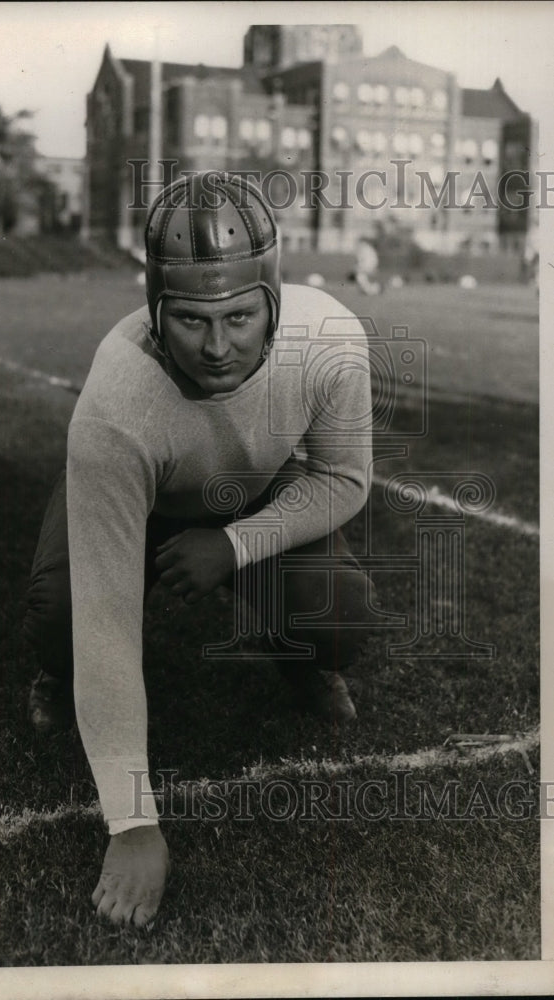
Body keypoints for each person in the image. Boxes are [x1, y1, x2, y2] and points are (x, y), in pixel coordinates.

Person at [23, 171, 378, 928]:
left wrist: (234, 544)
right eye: (189, 320)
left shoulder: (329, 341)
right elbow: (110, 622)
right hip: (143, 489)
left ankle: (303, 663)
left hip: (253, 487)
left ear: (273, 300)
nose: (218, 346)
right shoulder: (117, 404)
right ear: (155, 311)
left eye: (242, 316)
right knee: (63, 612)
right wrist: (132, 820)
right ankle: (53, 676)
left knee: (338, 614)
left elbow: (343, 480)